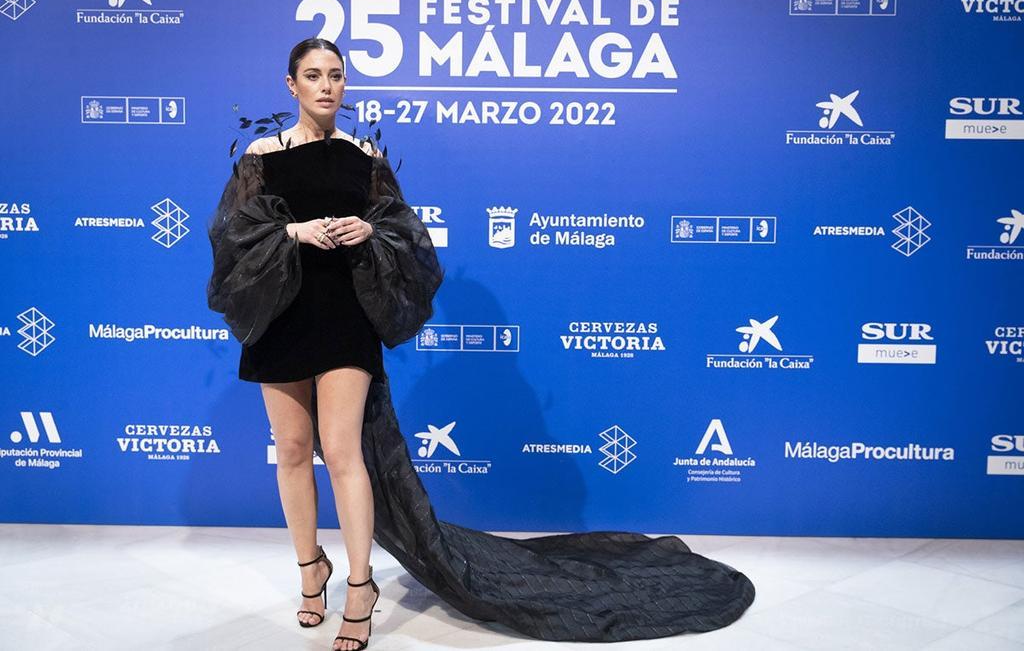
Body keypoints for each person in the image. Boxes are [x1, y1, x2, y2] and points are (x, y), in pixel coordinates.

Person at [207, 38, 755, 650]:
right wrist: (295, 230)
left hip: (342, 317)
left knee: (342, 453)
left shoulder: (365, 157)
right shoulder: (261, 156)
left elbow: (405, 233)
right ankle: (312, 572)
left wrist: (370, 228)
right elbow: (234, 239)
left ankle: (359, 587)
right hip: (283, 313)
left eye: (336, 75)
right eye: (313, 76)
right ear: (291, 86)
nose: (327, 86)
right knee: (290, 451)